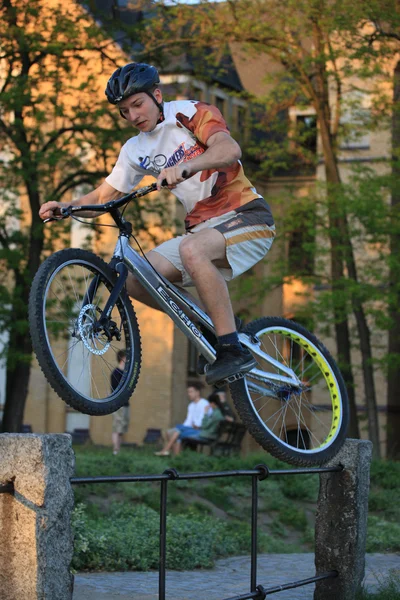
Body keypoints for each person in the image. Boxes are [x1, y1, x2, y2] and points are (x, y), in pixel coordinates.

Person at [39, 62, 276, 385]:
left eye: (138, 105)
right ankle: (212, 325)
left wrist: (189, 166)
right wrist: (66, 207)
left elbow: (228, 149)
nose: (134, 116)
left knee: (192, 249)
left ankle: (232, 348)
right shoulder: (135, 150)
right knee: (136, 279)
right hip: (202, 231)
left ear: (157, 95)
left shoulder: (190, 112)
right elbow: (102, 196)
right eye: (125, 111)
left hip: (246, 216)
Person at [155, 391, 224, 456]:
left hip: (206, 435)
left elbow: (204, 426)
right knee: (178, 432)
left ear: (212, 403)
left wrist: (205, 413)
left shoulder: (215, 414)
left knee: (178, 434)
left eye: (209, 403)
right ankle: (169, 452)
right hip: (209, 434)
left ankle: (174, 456)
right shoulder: (218, 413)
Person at [111, 349, 129, 455]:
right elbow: (114, 390)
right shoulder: (116, 373)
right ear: (122, 358)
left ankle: (119, 449)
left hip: (126, 404)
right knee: (117, 427)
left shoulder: (126, 373)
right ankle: (115, 450)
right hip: (118, 405)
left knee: (122, 428)